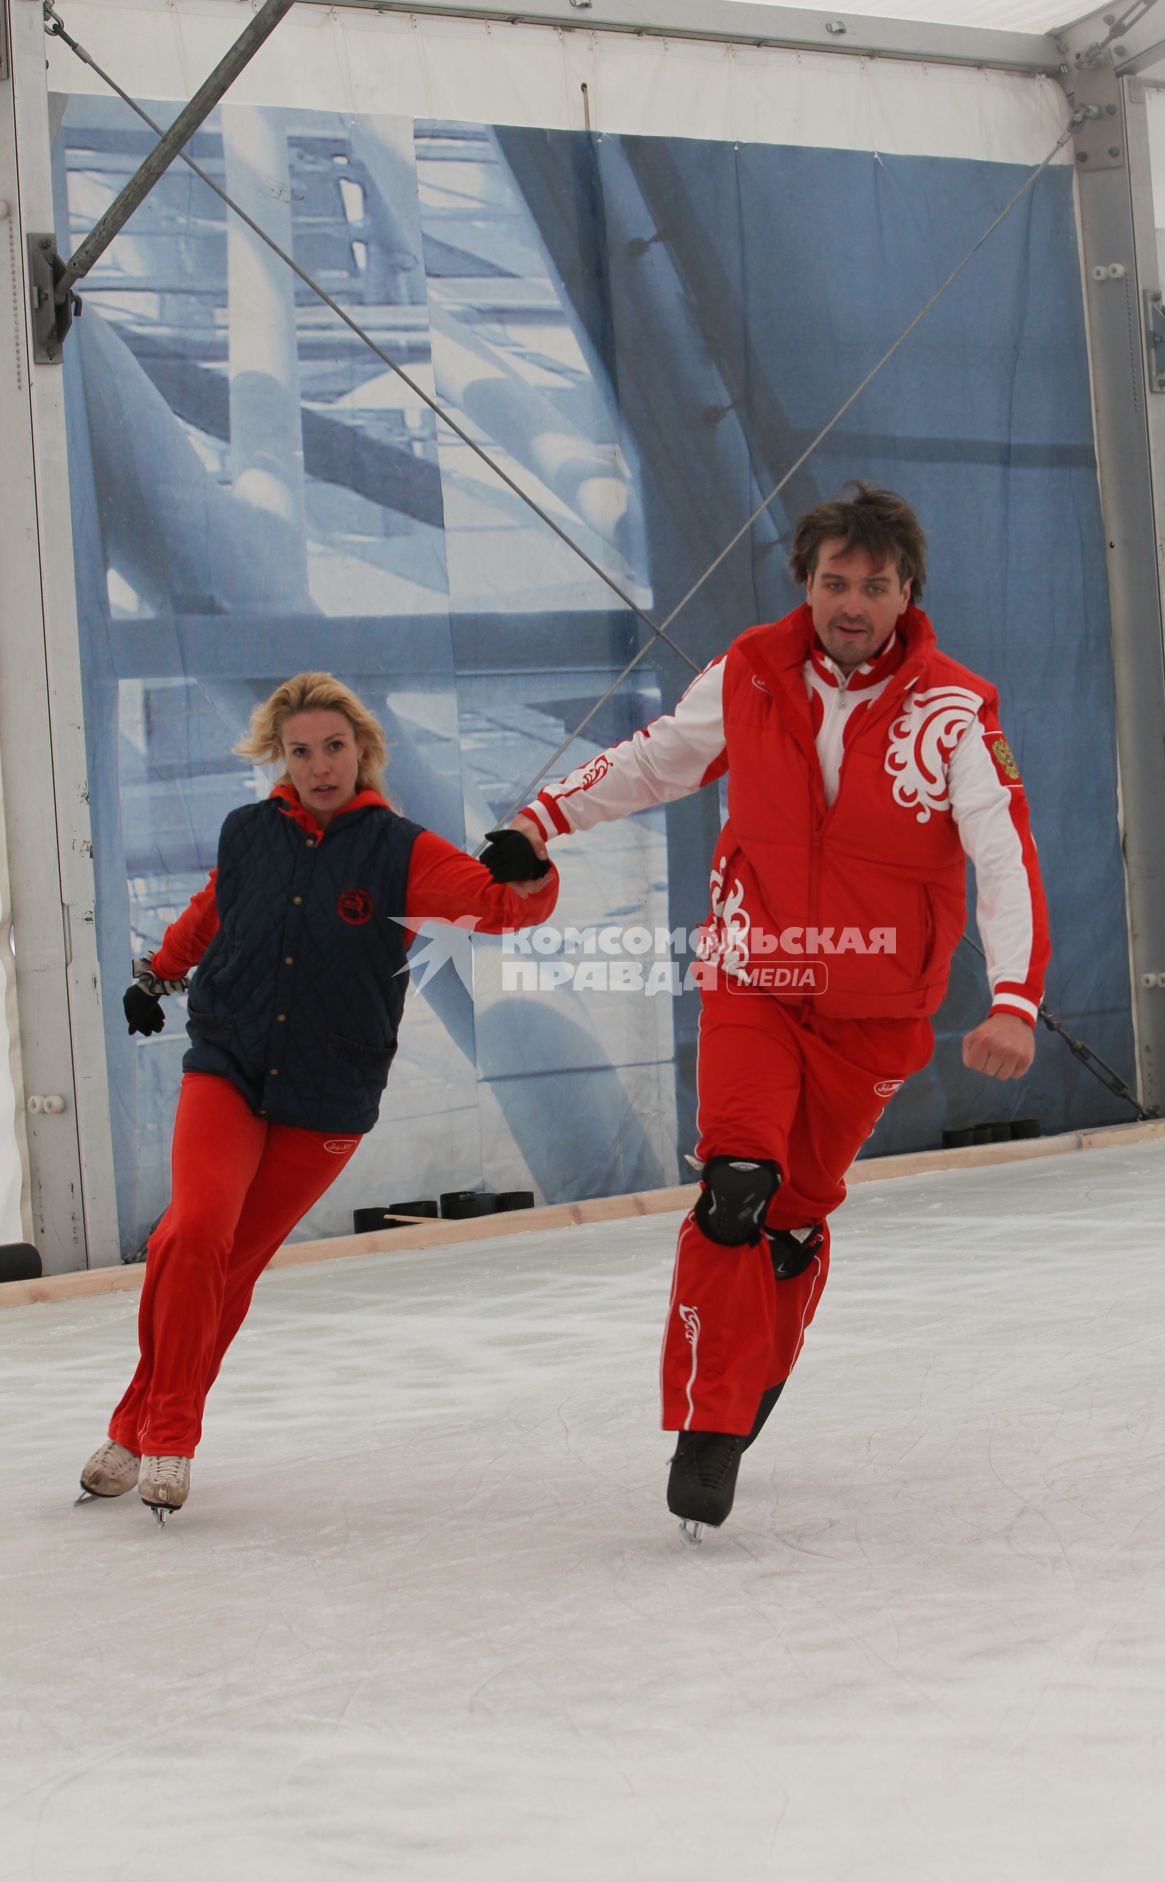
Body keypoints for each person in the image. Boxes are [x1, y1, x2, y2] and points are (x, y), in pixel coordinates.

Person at [488, 483, 1050, 1534]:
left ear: (904, 592)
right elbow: (660, 757)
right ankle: (705, 1430)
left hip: (877, 1009)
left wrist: (1011, 999)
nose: (851, 602)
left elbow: (1000, 856)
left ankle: (756, 1376)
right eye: (833, 581)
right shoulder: (747, 670)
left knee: (792, 1216)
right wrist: (541, 820)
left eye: (872, 586)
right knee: (736, 1183)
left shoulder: (955, 710)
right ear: (805, 581)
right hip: (753, 973)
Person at [80, 672, 558, 1521]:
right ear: (280, 757)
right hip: (228, 1059)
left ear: (363, 752)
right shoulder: (247, 832)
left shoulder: (400, 848)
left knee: (229, 1263)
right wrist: (159, 974)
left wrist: (531, 866)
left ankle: (132, 1427)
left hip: (328, 1090)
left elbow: (501, 908)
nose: (319, 765)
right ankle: (169, 1434)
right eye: (300, 751)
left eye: (334, 747)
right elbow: (214, 909)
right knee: (189, 1235)